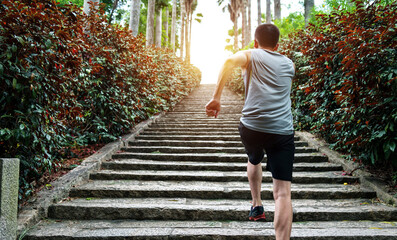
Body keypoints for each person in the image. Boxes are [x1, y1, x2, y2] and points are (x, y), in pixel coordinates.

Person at [205, 23, 295, 240]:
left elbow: (228, 62)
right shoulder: (289, 64)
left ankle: (257, 205)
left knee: (254, 158)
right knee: (282, 193)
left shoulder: (251, 54)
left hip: (252, 127)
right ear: (277, 44)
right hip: (282, 130)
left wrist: (217, 97)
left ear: (255, 42)